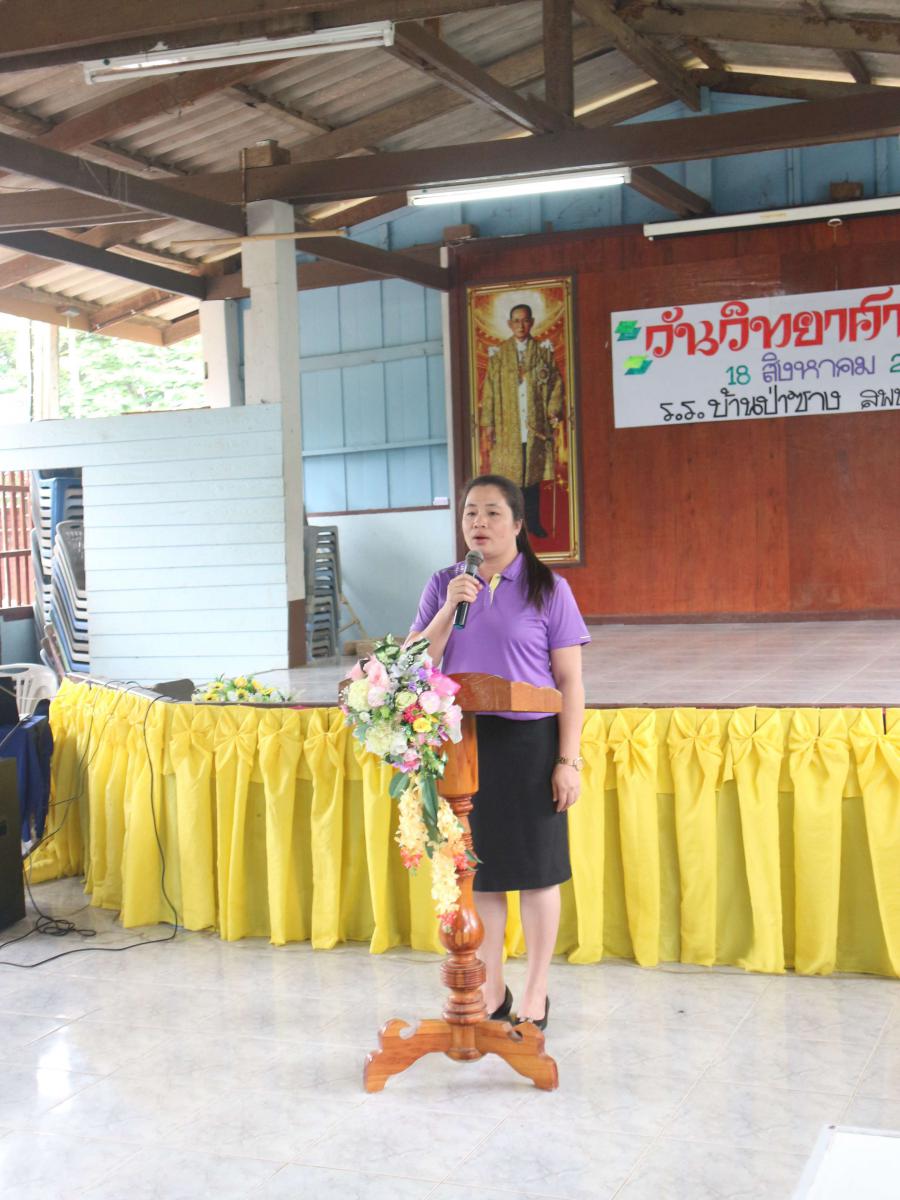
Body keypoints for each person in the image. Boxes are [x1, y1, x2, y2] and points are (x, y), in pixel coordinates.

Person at [408, 474, 588, 1030]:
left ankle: (535, 991)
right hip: (464, 742)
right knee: (480, 874)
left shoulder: (547, 587)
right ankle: (492, 989)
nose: (478, 523)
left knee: (536, 872)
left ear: (516, 524)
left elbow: (570, 681)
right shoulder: (445, 584)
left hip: (530, 744)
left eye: (491, 513)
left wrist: (568, 760)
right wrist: (447, 610)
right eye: (469, 513)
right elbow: (413, 663)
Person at [478, 304, 564, 539]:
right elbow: (489, 391)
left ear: (532, 322)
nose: (520, 325)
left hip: (535, 427)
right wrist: (489, 424)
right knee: (512, 481)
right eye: (516, 321)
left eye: (525, 320)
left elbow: (556, 384)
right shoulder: (499, 356)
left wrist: (553, 410)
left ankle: (533, 523)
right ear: (509, 324)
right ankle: (514, 528)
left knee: (532, 478)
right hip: (508, 428)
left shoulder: (543, 352)